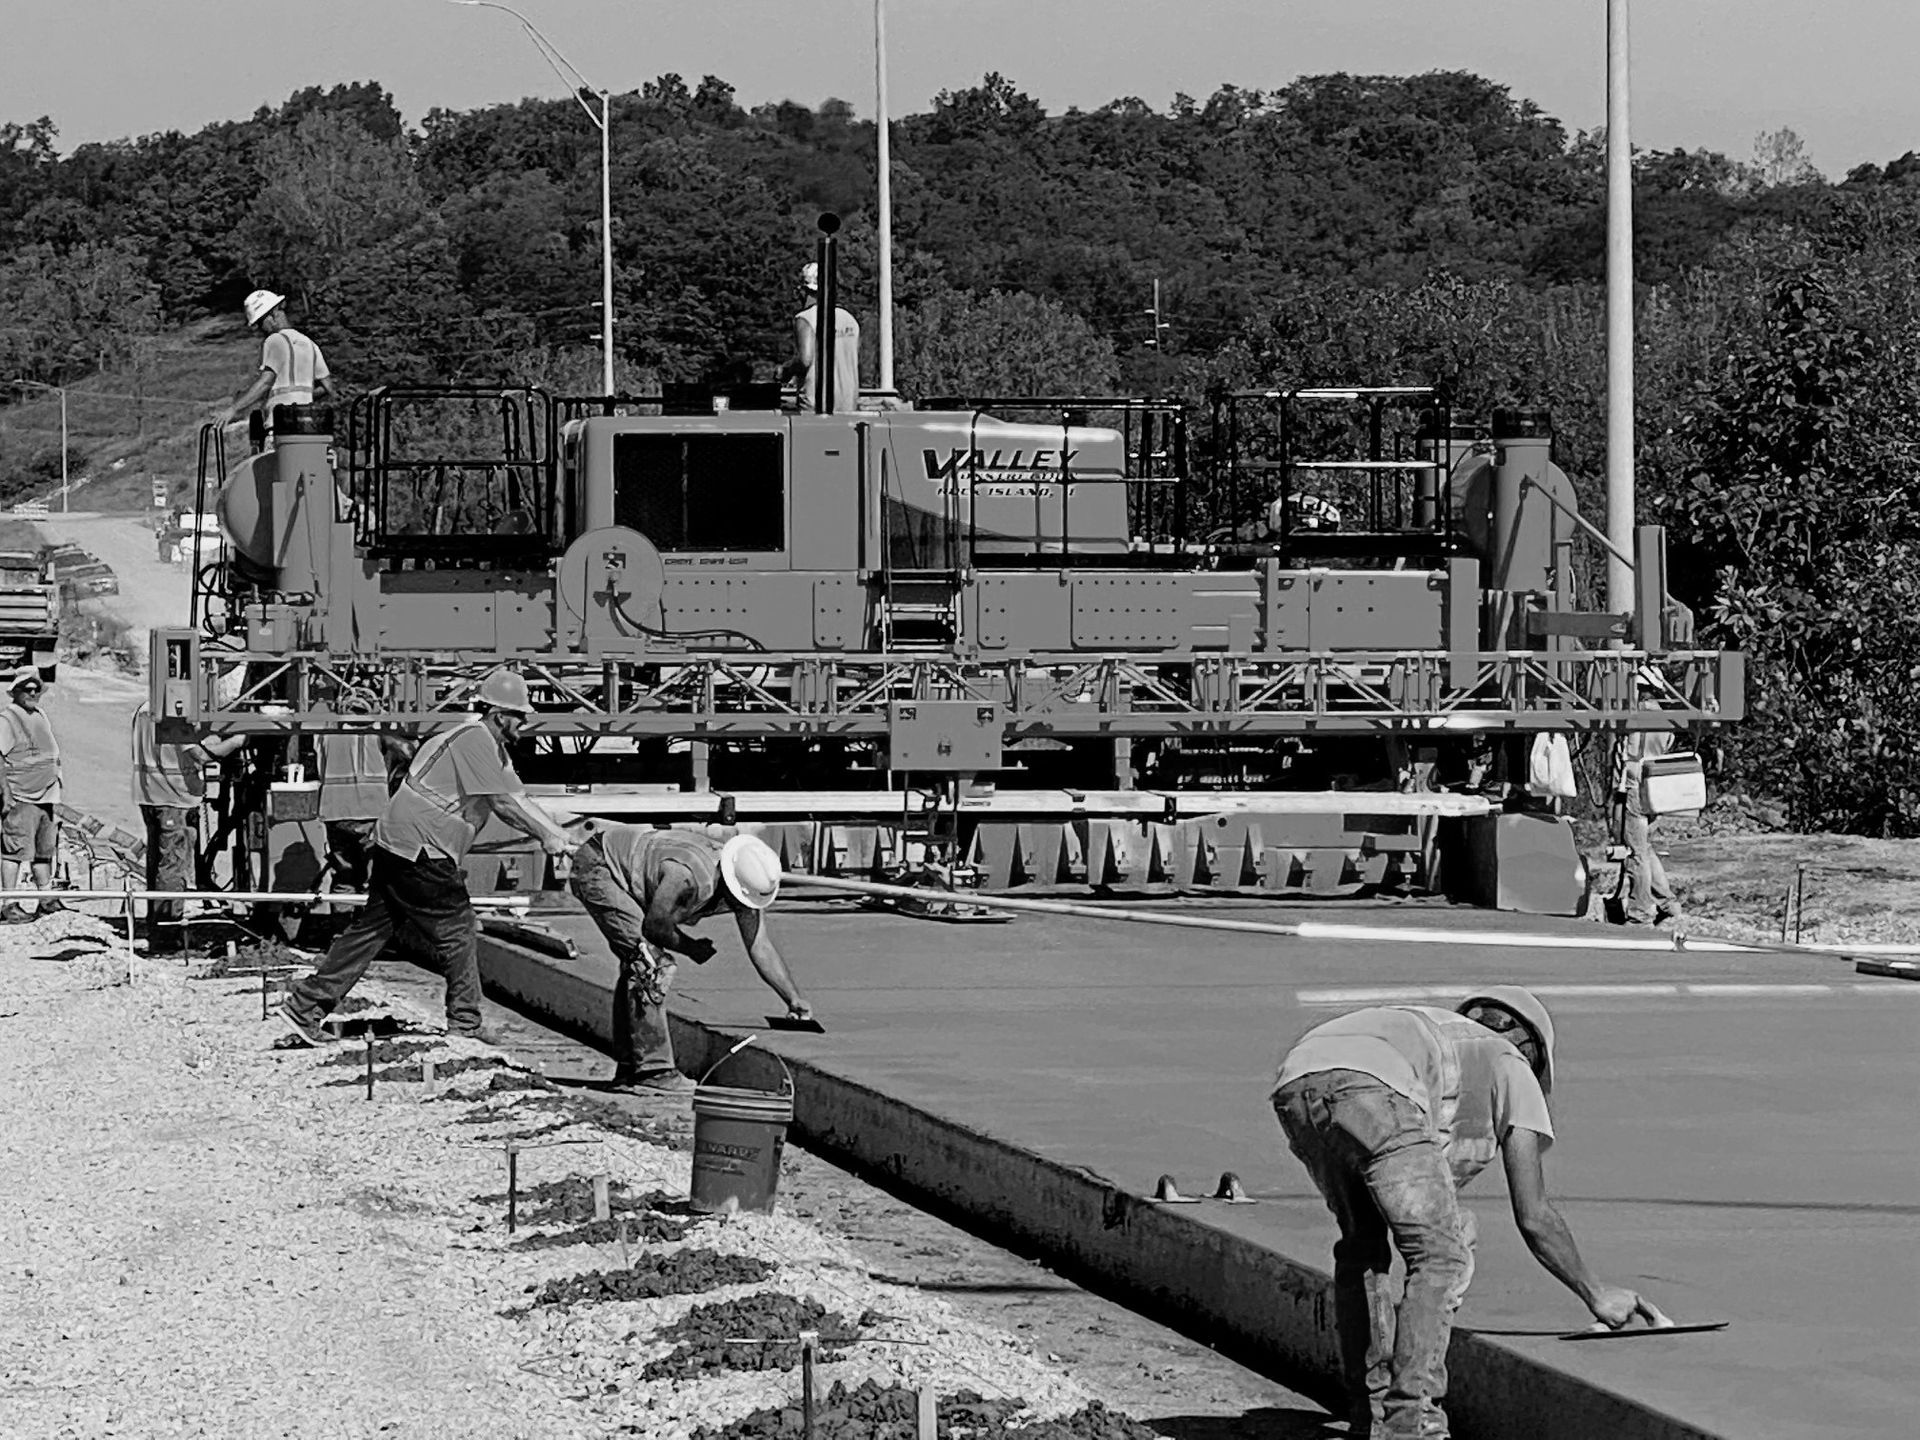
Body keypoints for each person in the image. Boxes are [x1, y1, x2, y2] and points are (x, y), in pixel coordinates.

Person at [1272, 987, 1667, 1439]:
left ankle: (1372, 1415)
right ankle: (1412, 1423)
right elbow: (1534, 1214)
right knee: (1441, 1257)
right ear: (1530, 1048)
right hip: (1371, 1087)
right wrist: (1596, 1293)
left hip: (1299, 1079)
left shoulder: (1446, 1043)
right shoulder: (1509, 1063)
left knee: (1362, 1247)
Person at [279, 668, 575, 1047]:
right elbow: (502, 804)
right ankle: (465, 1022)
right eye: (521, 715)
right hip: (423, 847)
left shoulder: (487, 745)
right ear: (501, 715)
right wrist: (546, 838)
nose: (525, 722)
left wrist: (559, 835)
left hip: (401, 842)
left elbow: (518, 798)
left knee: (370, 931)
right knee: (458, 931)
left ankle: (305, 1006)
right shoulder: (475, 741)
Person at [569, 825, 811, 1095]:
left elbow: (760, 946)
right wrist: (691, 947)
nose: (742, 908)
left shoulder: (741, 880)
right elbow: (655, 926)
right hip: (600, 867)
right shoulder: (687, 876)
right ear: (731, 886)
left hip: (622, 869)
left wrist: (792, 998)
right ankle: (654, 1071)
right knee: (652, 963)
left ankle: (631, 1068)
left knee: (638, 963)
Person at [130, 698, 248, 950]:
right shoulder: (173, 713)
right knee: (172, 866)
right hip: (173, 796)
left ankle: (158, 925)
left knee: (159, 864)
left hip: (151, 794)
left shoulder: (145, 708)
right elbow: (201, 756)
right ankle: (167, 934)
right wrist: (237, 741)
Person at [1611, 667, 1678, 926]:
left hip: (1635, 785)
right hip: (1655, 786)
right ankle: (1668, 904)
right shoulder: (1668, 718)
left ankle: (1640, 910)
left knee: (1636, 851)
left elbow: (1628, 753)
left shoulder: (1636, 716)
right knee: (1645, 847)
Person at [214, 288, 333, 433]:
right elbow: (328, 387)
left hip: (280, 424)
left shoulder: (275, 340)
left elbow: (266, 381)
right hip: (307, 424)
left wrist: (233, 409)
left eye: (259, 323)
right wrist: (302, 398)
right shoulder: (309, 344)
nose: (259, 329)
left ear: (271, 316)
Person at [0, 669, 63, 921]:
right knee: (14, 851)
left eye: (36, 688)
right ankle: (8, 904)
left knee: (43, 851)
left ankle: (46, 900)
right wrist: (5, 793)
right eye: (27, 689)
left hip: (46, 795)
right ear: (15, 692)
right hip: (21, 795)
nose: (33, 693)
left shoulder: (39, 715)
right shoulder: (8, 719)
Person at [777, 263, 860, 414]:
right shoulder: (850, 319)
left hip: (816, 407)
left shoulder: (805, 318)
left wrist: (786, 370)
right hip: (848, 406)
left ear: (803, 290)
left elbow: (805, 360)